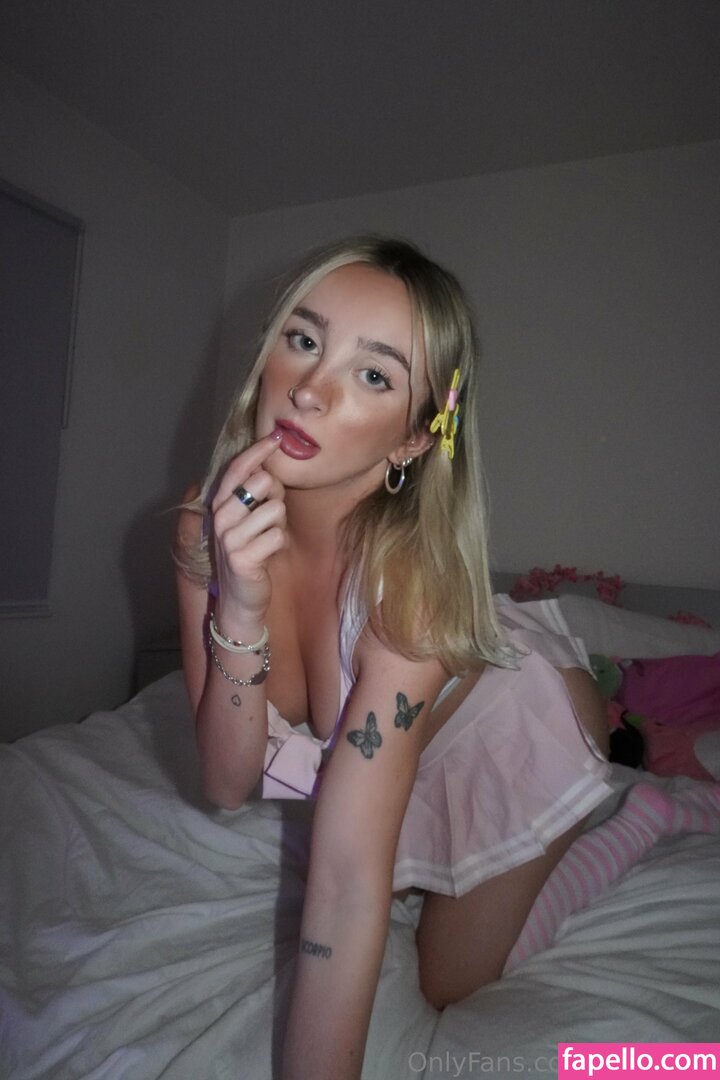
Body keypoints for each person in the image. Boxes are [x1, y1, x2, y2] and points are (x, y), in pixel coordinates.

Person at [174, 235, 611, 1080]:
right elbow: (228, 783)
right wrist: (242, 603)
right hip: (411, 732)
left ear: (413, 439)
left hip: (518, 717)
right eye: (304, 339)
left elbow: (342, 886)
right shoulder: (209, 523)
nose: (310, 387)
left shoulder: (407, 595)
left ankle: (617, 821)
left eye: (374, 375)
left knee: (448, 983)